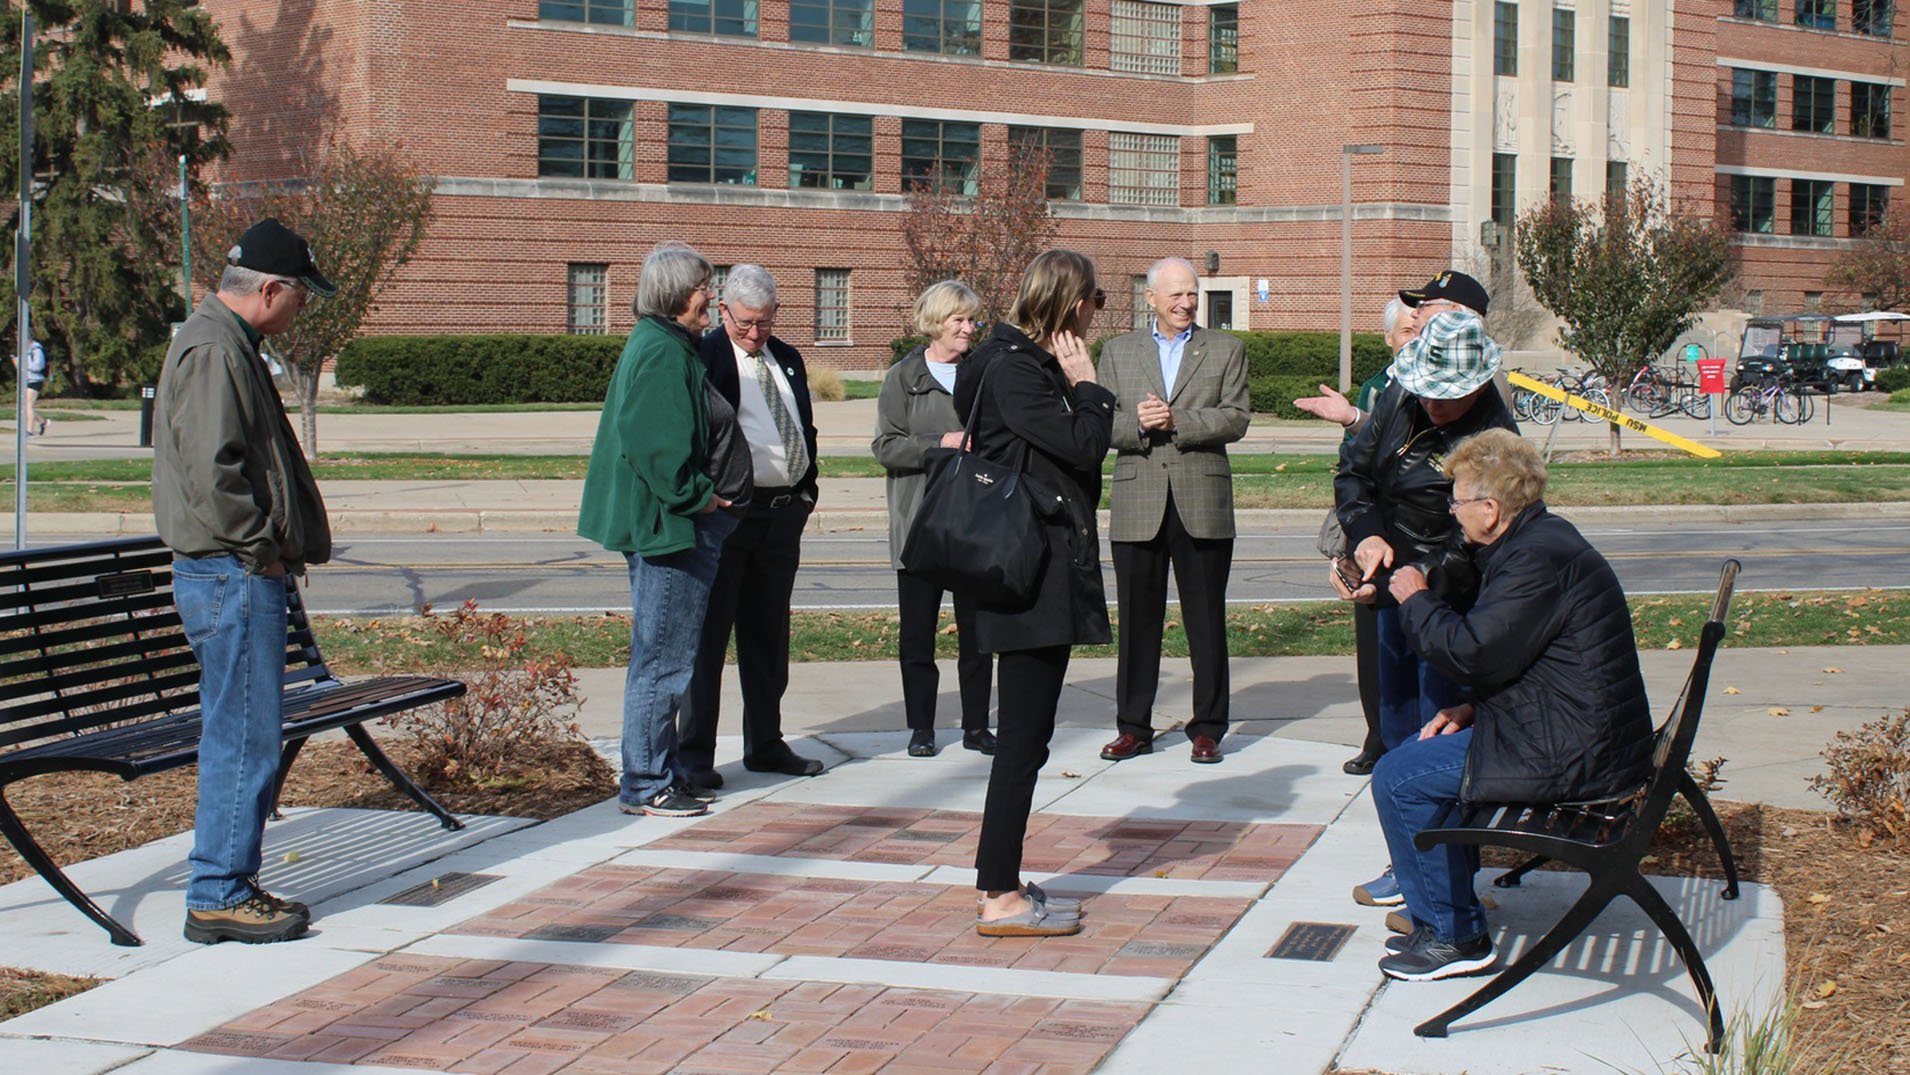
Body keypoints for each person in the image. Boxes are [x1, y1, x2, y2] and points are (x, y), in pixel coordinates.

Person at [1374, 429, 1654, 980]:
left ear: (1491, 508)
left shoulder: (1534, 559)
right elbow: (1518, 656)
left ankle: (1454, 937)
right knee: (1419, 754)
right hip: (1573, 730)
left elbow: (1472, 654)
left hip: (1573, 752)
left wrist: (1416, 598)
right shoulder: (1537, 541)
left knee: (1399, 777)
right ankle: (1443, 914)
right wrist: (1472, 709)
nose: (1451, 512)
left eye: (1456, 500)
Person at [153, 218, 336, 944]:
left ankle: (226, 881)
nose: (302, 310)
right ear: (270, 289)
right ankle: (218, 890)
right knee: (245, 734)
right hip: (231, 572)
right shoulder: (211, 349)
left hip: (235, 570)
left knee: (248, 730)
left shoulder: (227, 343)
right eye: (301, 296)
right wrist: (261, 549)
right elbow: (213, 472)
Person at [1332, 306, 1518, 909]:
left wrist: (1421, 578)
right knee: (1394, 728)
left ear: (1474, 389)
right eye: (1427, 394)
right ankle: (1410, 864)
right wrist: (1364, 539)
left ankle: (1446, 887)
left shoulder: (1493, 442)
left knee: (1436, 735)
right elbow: (1354, 476)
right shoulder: (1397, 399)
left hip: (1449, 603)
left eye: (1446, 399)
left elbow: (1478, 541)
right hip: (1392, 588)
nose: (1432, 406)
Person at [956, 249, 1115, 938]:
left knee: (1029, 735)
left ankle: (1004, 878)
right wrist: (1089, 385)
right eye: (1095, 298)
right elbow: (1085, 447)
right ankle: (997, 892)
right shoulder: (1016, 370)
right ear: (1069, 303)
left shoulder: (1008, 363)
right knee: (1023, 738)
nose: (1098, 311)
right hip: (1030, 577)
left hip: (1027, 571)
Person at [579, 241, 740, 820]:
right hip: (670, 529)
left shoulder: (670, 344)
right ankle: (646, 782)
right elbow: (655, 445)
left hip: (677, 524)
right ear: (675, 295)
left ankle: (661, 771)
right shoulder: (662, 352)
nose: (711, 296)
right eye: (704, 286)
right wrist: (702, 498)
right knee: (664, 660)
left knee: (667, 655)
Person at [1096, 257, 1249, 765]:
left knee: (1206, 622)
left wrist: (1177, 419)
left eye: (1192, 294)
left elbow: (1235, 417)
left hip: (1201, 502)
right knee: (1138, 624)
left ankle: (1207, 728)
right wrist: (1138, 424)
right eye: (1176, 295)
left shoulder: (1226, 349)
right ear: (1151, 298)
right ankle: (1133, 727)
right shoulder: (1117, 352)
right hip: (1138, 502)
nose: (1185, 303)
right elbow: (1098, 424)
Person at [684, 265, 826, 787]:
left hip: (782, 515)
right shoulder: (705, 357)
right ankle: (694, 757)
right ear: (723, 311)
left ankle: (765, 743)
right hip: (728, 518)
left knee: (768, 639)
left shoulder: (786, 358)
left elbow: (804, 427)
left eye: (763, 323)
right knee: (709, 640)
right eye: (744, 322)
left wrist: (807, 490)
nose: (753, 333)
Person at [871, 280, 997, 759]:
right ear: (935, 323)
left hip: (973, 524)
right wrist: (938, 445)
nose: (968, 329)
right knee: (917, 636)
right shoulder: (902, 378)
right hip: (920, 524)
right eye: (958, 320)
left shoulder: (984, 375)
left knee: (978, 635)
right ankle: (922, 728)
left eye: (971, 320)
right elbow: (885, 446)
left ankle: (977, 727)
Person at [1295, 297, 1418, 776]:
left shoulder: (1442, 387)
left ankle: (1414, 738)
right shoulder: (1373, 390)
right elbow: (1358, 464)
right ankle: (1378, 736)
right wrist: (1351, 420)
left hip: (1420, 537)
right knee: (1374, 644)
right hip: (1374, 532)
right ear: (1388, 339)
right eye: (1405, 332)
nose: (1413, 340)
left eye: (1419, 329)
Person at [13, 338, 48, 436]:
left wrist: (25, 364)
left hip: (35, 380)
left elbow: (38, 366)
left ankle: (29, 431)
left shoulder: (36, 349)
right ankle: (43, 422)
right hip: (26, 380)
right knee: (24, 406)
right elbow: (21, 368)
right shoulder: (25, 349)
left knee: (28, 406)